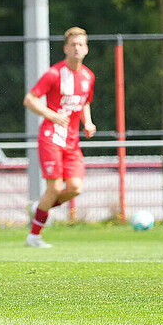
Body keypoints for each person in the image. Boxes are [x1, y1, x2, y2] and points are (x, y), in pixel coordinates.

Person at [22, 27, 97, 248]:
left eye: (81, 44)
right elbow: (30, 99)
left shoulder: (88, 76)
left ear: (86, 48)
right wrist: (52, 115)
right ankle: (34, 236)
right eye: (73, 45)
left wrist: (88, 122)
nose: (77, 48)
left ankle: (40, 208)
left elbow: (85, 102)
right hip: (51, 137)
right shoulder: (54, 73)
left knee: (75, 188)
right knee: (54, 189)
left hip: (72, 141)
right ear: (65, 48)